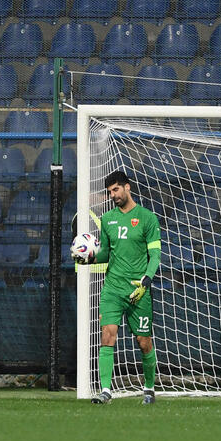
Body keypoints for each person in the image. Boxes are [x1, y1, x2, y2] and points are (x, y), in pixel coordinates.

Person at [73, 170, 161, 405]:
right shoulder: (108, 220)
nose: (113, 195)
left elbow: (155, 255)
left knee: (144, 342)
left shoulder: (147, 218)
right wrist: (87, 257)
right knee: (107, 335)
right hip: (112, 289)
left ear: (127, 187)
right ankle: (105, 391)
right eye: (109, 191)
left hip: (137, 291)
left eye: (116, 190)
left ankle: (150, 389)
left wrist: (147, 279)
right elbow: (105, 254)